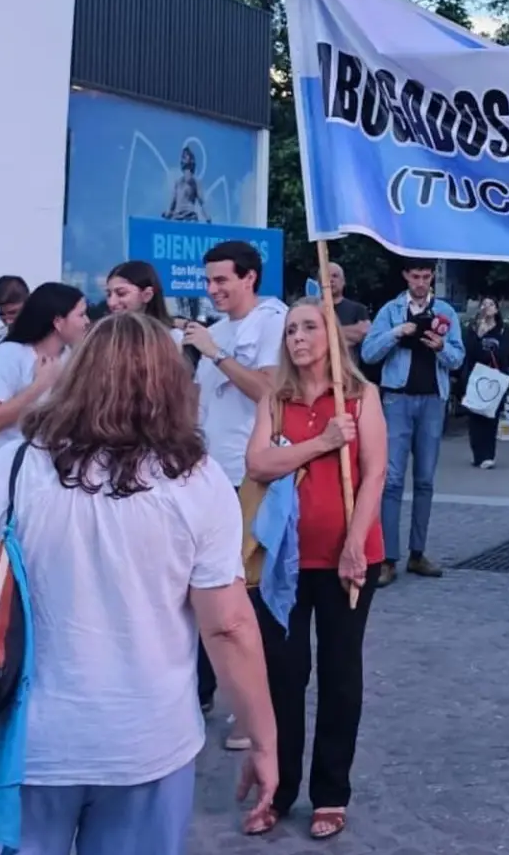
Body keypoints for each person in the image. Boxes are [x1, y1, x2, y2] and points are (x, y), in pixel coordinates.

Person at [0, 312, 277, 854]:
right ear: (172, 384)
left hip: (31, 744)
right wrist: (263, 737)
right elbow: (229, 627)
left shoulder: (16, 468)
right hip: (148, 742)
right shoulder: (198, 481)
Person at [243, 298, 386, 839]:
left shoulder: (359, 396)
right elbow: (258, 462)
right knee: (283, 672)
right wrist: (321, 442)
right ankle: (277, 788)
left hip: (349, 556)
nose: (297, 337)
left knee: (340, 672)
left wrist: (355, 544)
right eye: (290, 330)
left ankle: (331, 792)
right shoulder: (275, 401)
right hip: (286, 560)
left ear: (331, 335)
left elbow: (374, 474)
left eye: (308, 327)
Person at [183, 240, 286, 713]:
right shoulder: (215, 330)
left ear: (249, 277)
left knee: (245, 598)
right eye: (208, 280)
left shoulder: (273, 320)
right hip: (207, 474)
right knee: (201, 590)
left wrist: (216, 352)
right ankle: (200, 695)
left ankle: (252, 709)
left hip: (252, 477)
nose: (213, 289)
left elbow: (268, 390)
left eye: (222, 279)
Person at [361, 259, 464, 587]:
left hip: (433, 400)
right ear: (405, 276)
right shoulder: (391, 310)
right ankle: (388, 558)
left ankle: (417, 553)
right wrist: (396, 333)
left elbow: (459, 358)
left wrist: (441, 347)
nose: (420, 282)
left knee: (424, 480)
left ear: (431, 276)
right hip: (397, 400)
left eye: (425, 276)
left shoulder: (445, 310)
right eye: (415, 276)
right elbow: (368, 354)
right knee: (391, 480)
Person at [0, 282, 89, 503]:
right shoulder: (9, 355)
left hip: (37, 486)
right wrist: (39, 386)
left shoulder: (69, 358)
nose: (86, 322)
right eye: (81, 315)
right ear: (58, 321)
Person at [462, 297, 509, 469]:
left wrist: (488, 352)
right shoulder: (473, 328)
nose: (487, 308)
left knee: (490, 415)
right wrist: (480, 333)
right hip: (475, 376)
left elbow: (504, 352)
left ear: (497, 309)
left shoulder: (503, 330)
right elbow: (470, 350)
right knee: (475, 415)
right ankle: (477, 454)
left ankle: (488, 455)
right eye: (484, 305)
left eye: (491, 304)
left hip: (495, 377)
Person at [106, 260, 180, 336]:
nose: (111, 302)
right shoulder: (104, 337)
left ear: (147, 295)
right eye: (109, 294)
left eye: (121, 293)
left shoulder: (172, 338)